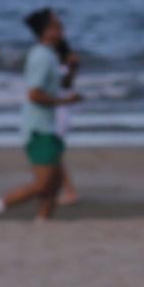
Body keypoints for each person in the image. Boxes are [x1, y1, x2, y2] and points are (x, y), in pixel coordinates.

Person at [0, 7, 82, 222]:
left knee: (54, 183)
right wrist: (65, 101)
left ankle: (43, 221)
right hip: (38, 128)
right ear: (46, 31)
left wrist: (72, 69)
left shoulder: (51, 54)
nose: (62, 29)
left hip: (50, 126)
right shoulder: (41, 56)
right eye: (57, 25)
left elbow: (61, 86)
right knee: (43, 184)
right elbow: (34, 94)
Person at [54, 36, 82, 206]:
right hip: (61, 114)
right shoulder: (64, 69)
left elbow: (64, 84)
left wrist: (73, 66)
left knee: (54, 156)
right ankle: (63, 189)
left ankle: (69, 191)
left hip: (59, 115)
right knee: (54, 156)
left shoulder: (61, 69)